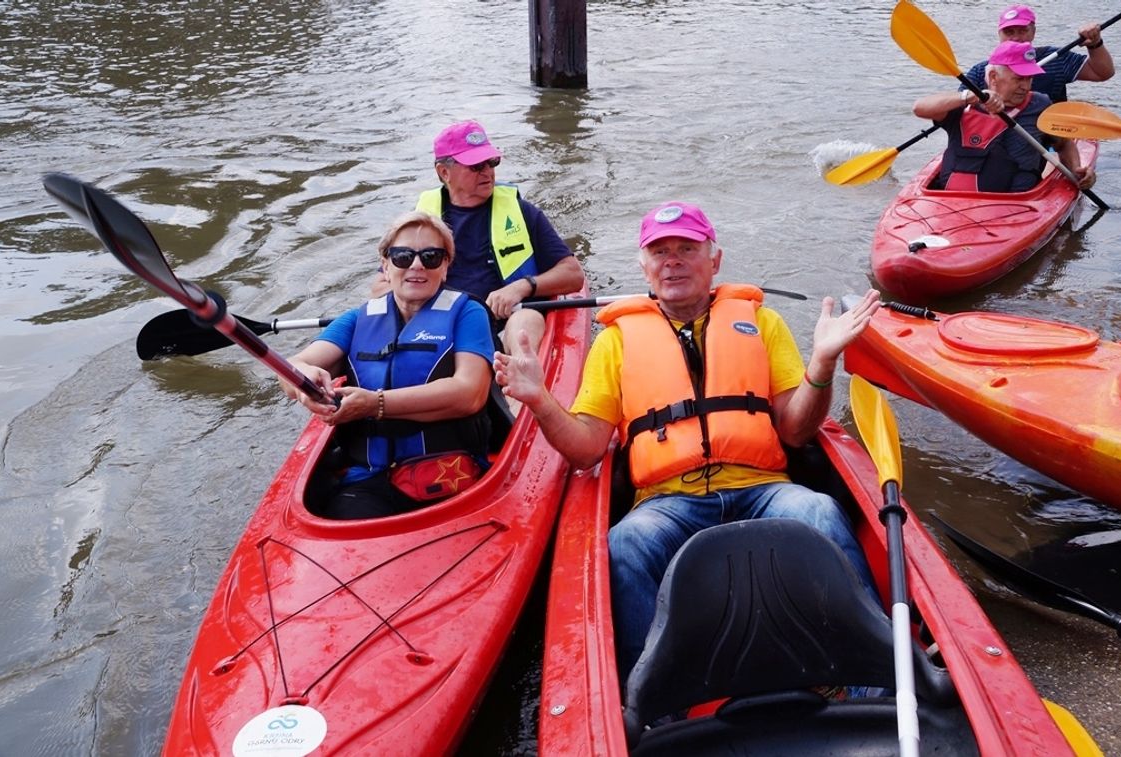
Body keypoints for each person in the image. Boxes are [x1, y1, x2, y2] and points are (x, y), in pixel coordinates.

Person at [494, 201, 882, 680]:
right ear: (644, 266)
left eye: (686, 248)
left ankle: (872, 675)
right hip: (666, 501)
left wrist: (822, 365)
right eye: (660, 251)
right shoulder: (616, 341)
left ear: (714, 260)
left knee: (820, 510)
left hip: (762, 489)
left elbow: (796, 430)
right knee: (625, 543)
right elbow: (588, 448)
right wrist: (539, 399)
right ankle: (652, 702)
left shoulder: (762, 323)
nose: (672, 260)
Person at [282, 211, 496, 520]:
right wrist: (302, 384)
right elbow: (294, 366)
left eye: (432, 257)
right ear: (386, 265)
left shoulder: (468, 313)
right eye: (403, 256)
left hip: (449, 475)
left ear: (446, 267)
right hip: (368, 480)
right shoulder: (357, 320)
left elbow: (470, 393)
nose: (417, 265)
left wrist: (375, 404)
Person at [373, 120, 585, 357]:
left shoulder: (523, 213)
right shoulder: (418, 223)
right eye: (475, 165)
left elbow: (573, 275)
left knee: (525, 322)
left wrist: (522, 287)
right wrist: (421, 304)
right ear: (444, 172)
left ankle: (517, 387)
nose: (487, 171)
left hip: (507, 322)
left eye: (491, 162)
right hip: (442, 326)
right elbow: (380, 287)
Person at [915, 40, 1095, 193]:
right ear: (993, 77)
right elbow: (920, 108)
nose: (1026, 86)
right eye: (1019, 79)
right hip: (949, 202)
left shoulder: (1040, 106)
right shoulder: (966, 103)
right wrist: (968, 96)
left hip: (1017, 206)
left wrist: (1077, 170)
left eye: (1029, 78)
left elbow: (1064, 145)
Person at [961, 4, 1115, 103]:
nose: (1015, 38)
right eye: (1009, 32)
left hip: (1052, 139)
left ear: (1033, 32)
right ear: (999, 34)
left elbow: (1102, 73)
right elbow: (954, 107)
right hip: (998, 137)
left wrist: (1095, 44)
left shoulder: (1055, 58)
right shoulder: (981, 71)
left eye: (1022, 31)